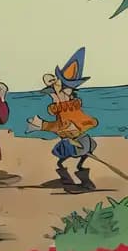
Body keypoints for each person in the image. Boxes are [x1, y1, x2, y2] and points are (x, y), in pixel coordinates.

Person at [28, 47, 98, 187]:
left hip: (79, 142)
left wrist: (42, 125)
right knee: (65, 162)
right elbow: (63, 125)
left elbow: (67, 125)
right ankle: (75, 179)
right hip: (80, 141)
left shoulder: (70, 108)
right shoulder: (64, 106)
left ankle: (80, 181)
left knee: (65, 161)